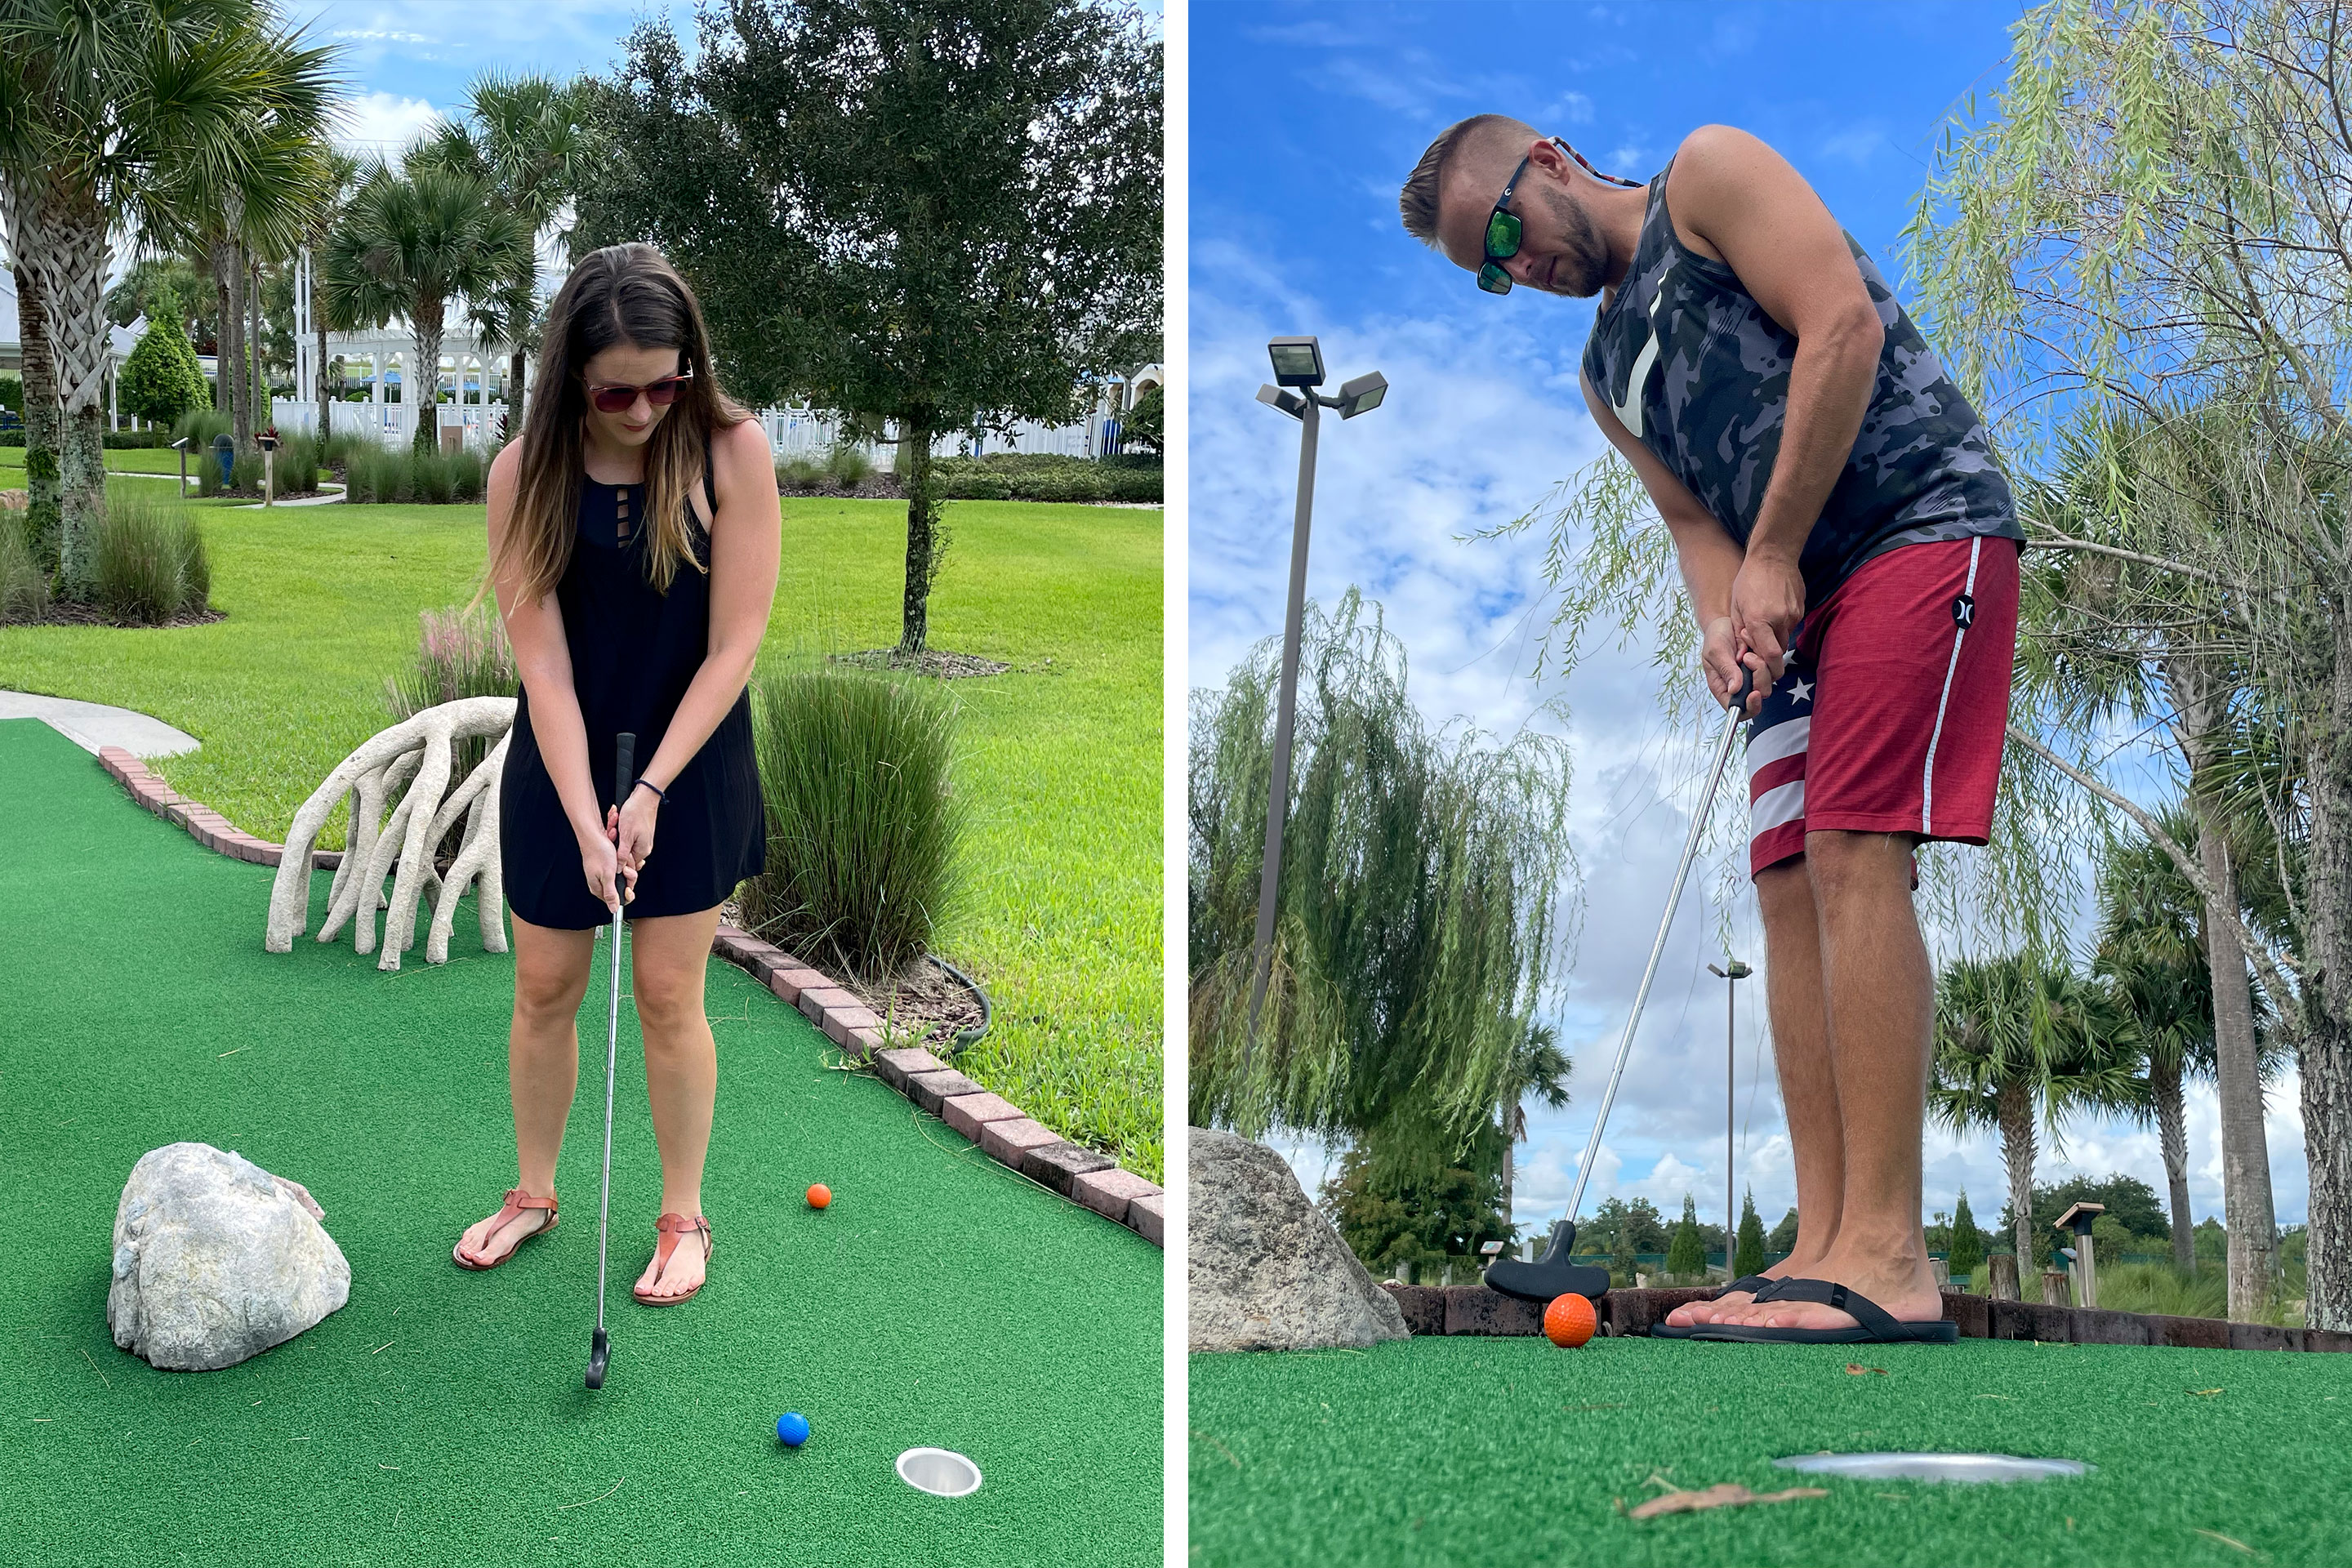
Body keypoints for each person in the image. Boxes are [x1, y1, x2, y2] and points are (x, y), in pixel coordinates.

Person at [1399, 118, 2024, 1343]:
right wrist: (1721, 623)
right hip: (1790, 604)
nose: (1518, 270)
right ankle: (1823, 1245)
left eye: (1509, 234)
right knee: (1787, 879)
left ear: (1551, 158)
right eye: (1490, 269)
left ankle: (1893, 1260)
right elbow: (1695, 525)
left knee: (1851, 849)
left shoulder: (1709, 175)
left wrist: (1777, 553)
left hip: (1917, 525)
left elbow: (1839, 327)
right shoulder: (1601, 376)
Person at [448, 243, 782, 1308]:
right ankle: (535, 1193)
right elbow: (539, 659)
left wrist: (643, 798)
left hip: (692, 754)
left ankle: (683, 1218)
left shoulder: (732, 453)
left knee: (668, 990)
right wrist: (590, 815)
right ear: (571, 379)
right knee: (545, 984)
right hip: (561, 757)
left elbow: (735, 645)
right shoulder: (524, 472)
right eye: (616, 390)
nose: (643, 408)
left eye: (665, 380)